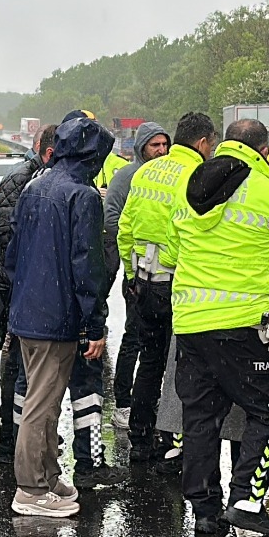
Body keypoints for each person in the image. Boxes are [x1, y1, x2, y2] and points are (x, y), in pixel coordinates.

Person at [171, 119, 269, 537]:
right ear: (261, 150)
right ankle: (247, 500)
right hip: (246, 326)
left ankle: (204, 509)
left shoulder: (189, 188)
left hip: (190, 322)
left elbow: (172, 247)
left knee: (200, 417)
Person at [4, 114, 112, 518]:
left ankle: (48, 477)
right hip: (56, 320)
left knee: (39, 399)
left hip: (28, 314)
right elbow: (87, 266)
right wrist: (94, 324)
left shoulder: (35, 188)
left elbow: (13, 257)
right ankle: (31, 489)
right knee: (42, 405)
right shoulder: (81, 196)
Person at [114, 112, 214, 462]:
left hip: (142, 284)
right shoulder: (197, 175)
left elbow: (124, 229)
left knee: (150, 362)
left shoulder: (145, 172)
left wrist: (130, 276)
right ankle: (170, 441)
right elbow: (192, 236)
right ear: (202, 143)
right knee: (183, 368)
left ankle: (140, 439)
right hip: (178, 287)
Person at [0, 124, 58, 455]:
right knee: (18, 360)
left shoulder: (34, 178)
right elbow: (9, 235)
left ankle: (26, 431)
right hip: (17, 285)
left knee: (28, 363)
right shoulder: (22, 180)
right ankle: (11, 436)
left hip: (24, 283)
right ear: (48, 153)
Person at [102, 123, 170, 428]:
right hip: (138, 273)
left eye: (164, 145)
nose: (160, 151)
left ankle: (150, 402)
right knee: (133, 336)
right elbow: (112, 216)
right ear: (141, 147)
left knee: (157, 344)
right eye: (154, 145)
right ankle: (123, 401)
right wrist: (134, 253)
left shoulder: (169, 176)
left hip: (163, 277)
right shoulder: (128, 176)